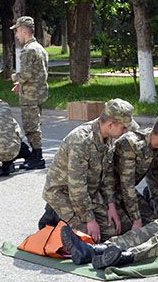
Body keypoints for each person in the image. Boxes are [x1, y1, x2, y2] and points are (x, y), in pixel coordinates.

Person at [41, 98, 136, 242]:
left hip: (89, 193)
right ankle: (54, 216)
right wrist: (89, 220)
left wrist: (111, 206)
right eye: (124, 127)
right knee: (91, 237)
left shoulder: (108, 137)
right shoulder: (81, 141)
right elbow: (76, 186)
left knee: (120, 228)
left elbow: (108, 176)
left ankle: (65, 218)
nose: (126, 131)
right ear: (110, 124)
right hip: (63, 193)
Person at [113, 119, 158, 229]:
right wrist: (136, 219)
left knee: (150, 223)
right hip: (110, 193)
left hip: (128, 192)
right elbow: (127, 184)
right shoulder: (130, 143)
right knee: (123, 228)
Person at [10, 16, 49, 170]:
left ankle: (37, 157)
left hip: (30, 95)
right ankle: (35, 154)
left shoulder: (28, 50)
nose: (16, 35)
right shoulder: (40, 48)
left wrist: (15, 77)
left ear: (24, 30)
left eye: (17, 31)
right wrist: (20, 84)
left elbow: (25, 74)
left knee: (31, 126)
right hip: (38, 92)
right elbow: (38, 73)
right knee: (35, 124)